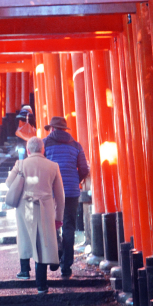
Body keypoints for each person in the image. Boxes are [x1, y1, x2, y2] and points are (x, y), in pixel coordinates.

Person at [7, 136, 65, 293]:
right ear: (43, 149)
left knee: (26, 237)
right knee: (43, 243)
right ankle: (41, 285)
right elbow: (60, 195)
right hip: (45, 208)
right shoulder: (53, 166)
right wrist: (59, 217)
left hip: (24, 207)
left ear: (28, 150)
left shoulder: (21, 164)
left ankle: (24, 270)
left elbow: (8, 183)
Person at [43, 116, 90, 278]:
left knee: (51, 223)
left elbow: (41, 165)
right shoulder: (76, 145)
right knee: (69, 226)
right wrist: (76, 179)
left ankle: (56, 252)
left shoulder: (45, 143)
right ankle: (66, 266)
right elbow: (84, 168)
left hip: (51, 192)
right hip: (71, 192)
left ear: (53, 129)